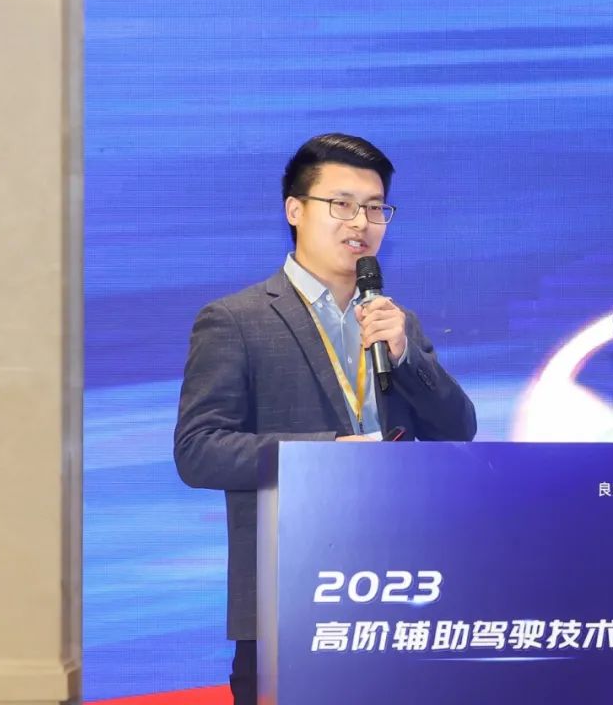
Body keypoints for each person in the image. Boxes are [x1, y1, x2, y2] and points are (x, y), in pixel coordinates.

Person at [173, 133, 477, 704]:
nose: (361, 222)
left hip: (400, 591)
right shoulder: (235, 320)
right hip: (289, 594)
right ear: (295, 210)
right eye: (341, 204)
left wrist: (407, 357)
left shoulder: (395, 321)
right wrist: (323, 456)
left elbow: (458, 430)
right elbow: (199, 449)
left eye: (375, 207)